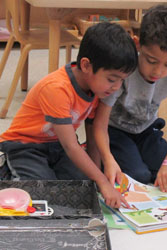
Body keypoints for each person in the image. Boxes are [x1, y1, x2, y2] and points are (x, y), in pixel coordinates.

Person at [0, 22, 138, 208]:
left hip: (57, 147)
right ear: (86, 65)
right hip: (25, 146)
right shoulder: (57, 89)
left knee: (83, 187)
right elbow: (71, 146)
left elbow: (93, 133)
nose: (116, 87)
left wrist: (97, 179)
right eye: (112, 79)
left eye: (122, 80)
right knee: (41, 193)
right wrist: (103, 182)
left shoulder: (98, 88)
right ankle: (7, 174)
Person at [93, 5, 167, 193]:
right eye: (151, 61)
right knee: (139, 175)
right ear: (137, 44)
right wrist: (107, 159)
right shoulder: (124, 70)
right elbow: (100, 123)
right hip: (115, 132)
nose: (158, 71)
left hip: (146, 130)